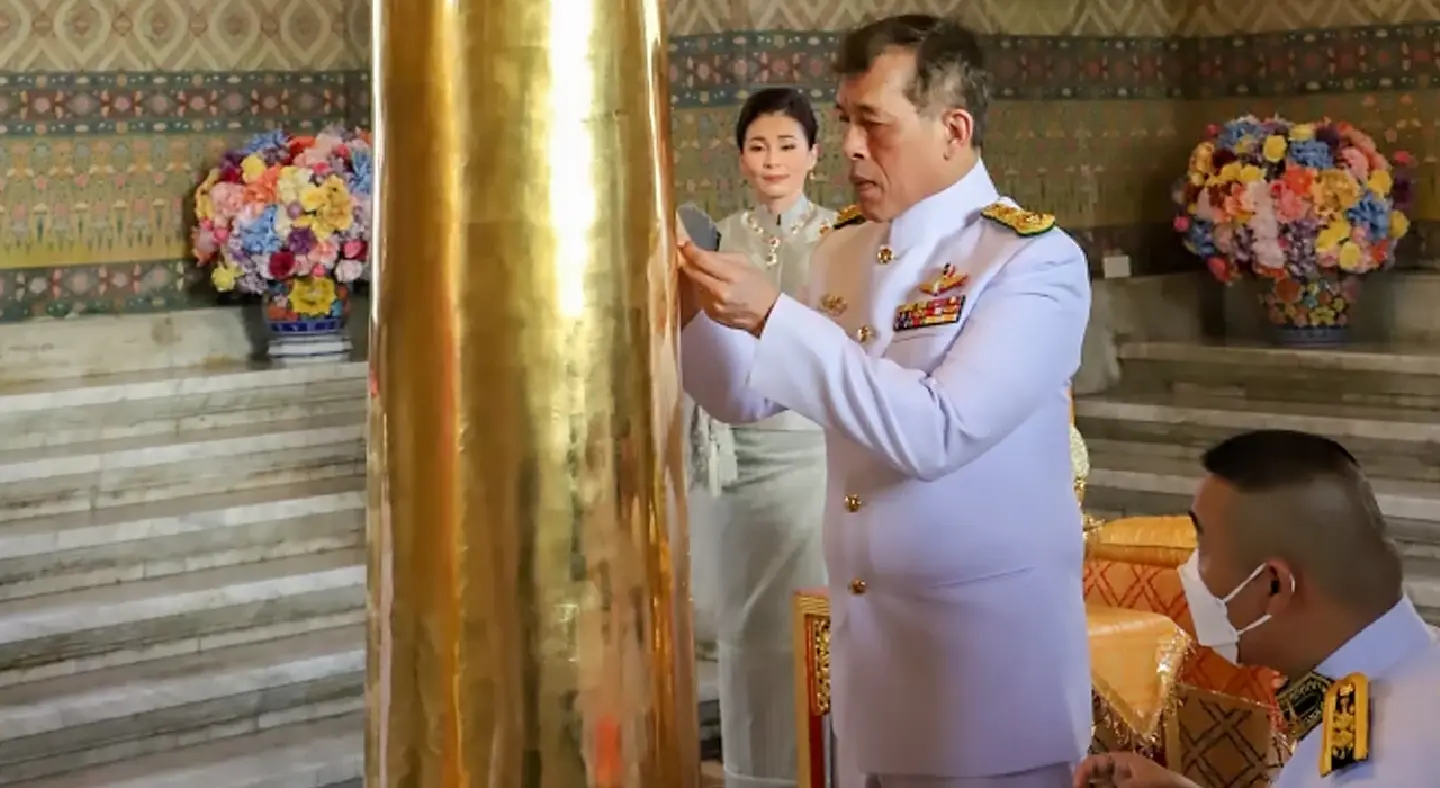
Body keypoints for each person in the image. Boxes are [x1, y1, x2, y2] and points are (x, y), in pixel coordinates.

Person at [677, 14, 1092, 788]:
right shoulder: (844, 248)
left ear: (953, 130)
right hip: (870, 677)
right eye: (844, 121)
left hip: (987, 684)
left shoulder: (1030, 261)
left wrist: (774, 316)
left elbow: (939, 430)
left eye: (873, 123)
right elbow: (747, 394)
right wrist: (690, 310)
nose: (850, 147)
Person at [1072, 430, 1438, 788]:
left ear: (1273, 586)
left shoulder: (1377, 762)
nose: (1188, 570)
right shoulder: (1404, 672)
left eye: (1203, 548)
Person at [683, 88, 837, 788]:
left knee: (808, 620)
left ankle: (820, 766)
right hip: (732, 459)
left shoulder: (842, 237)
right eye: (758, 146)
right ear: (740, 157)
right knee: (745, 631)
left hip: (811, 455)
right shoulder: (714, 238)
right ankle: (753, 773)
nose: (772, 160)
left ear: (814, 154)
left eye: (786, 145)